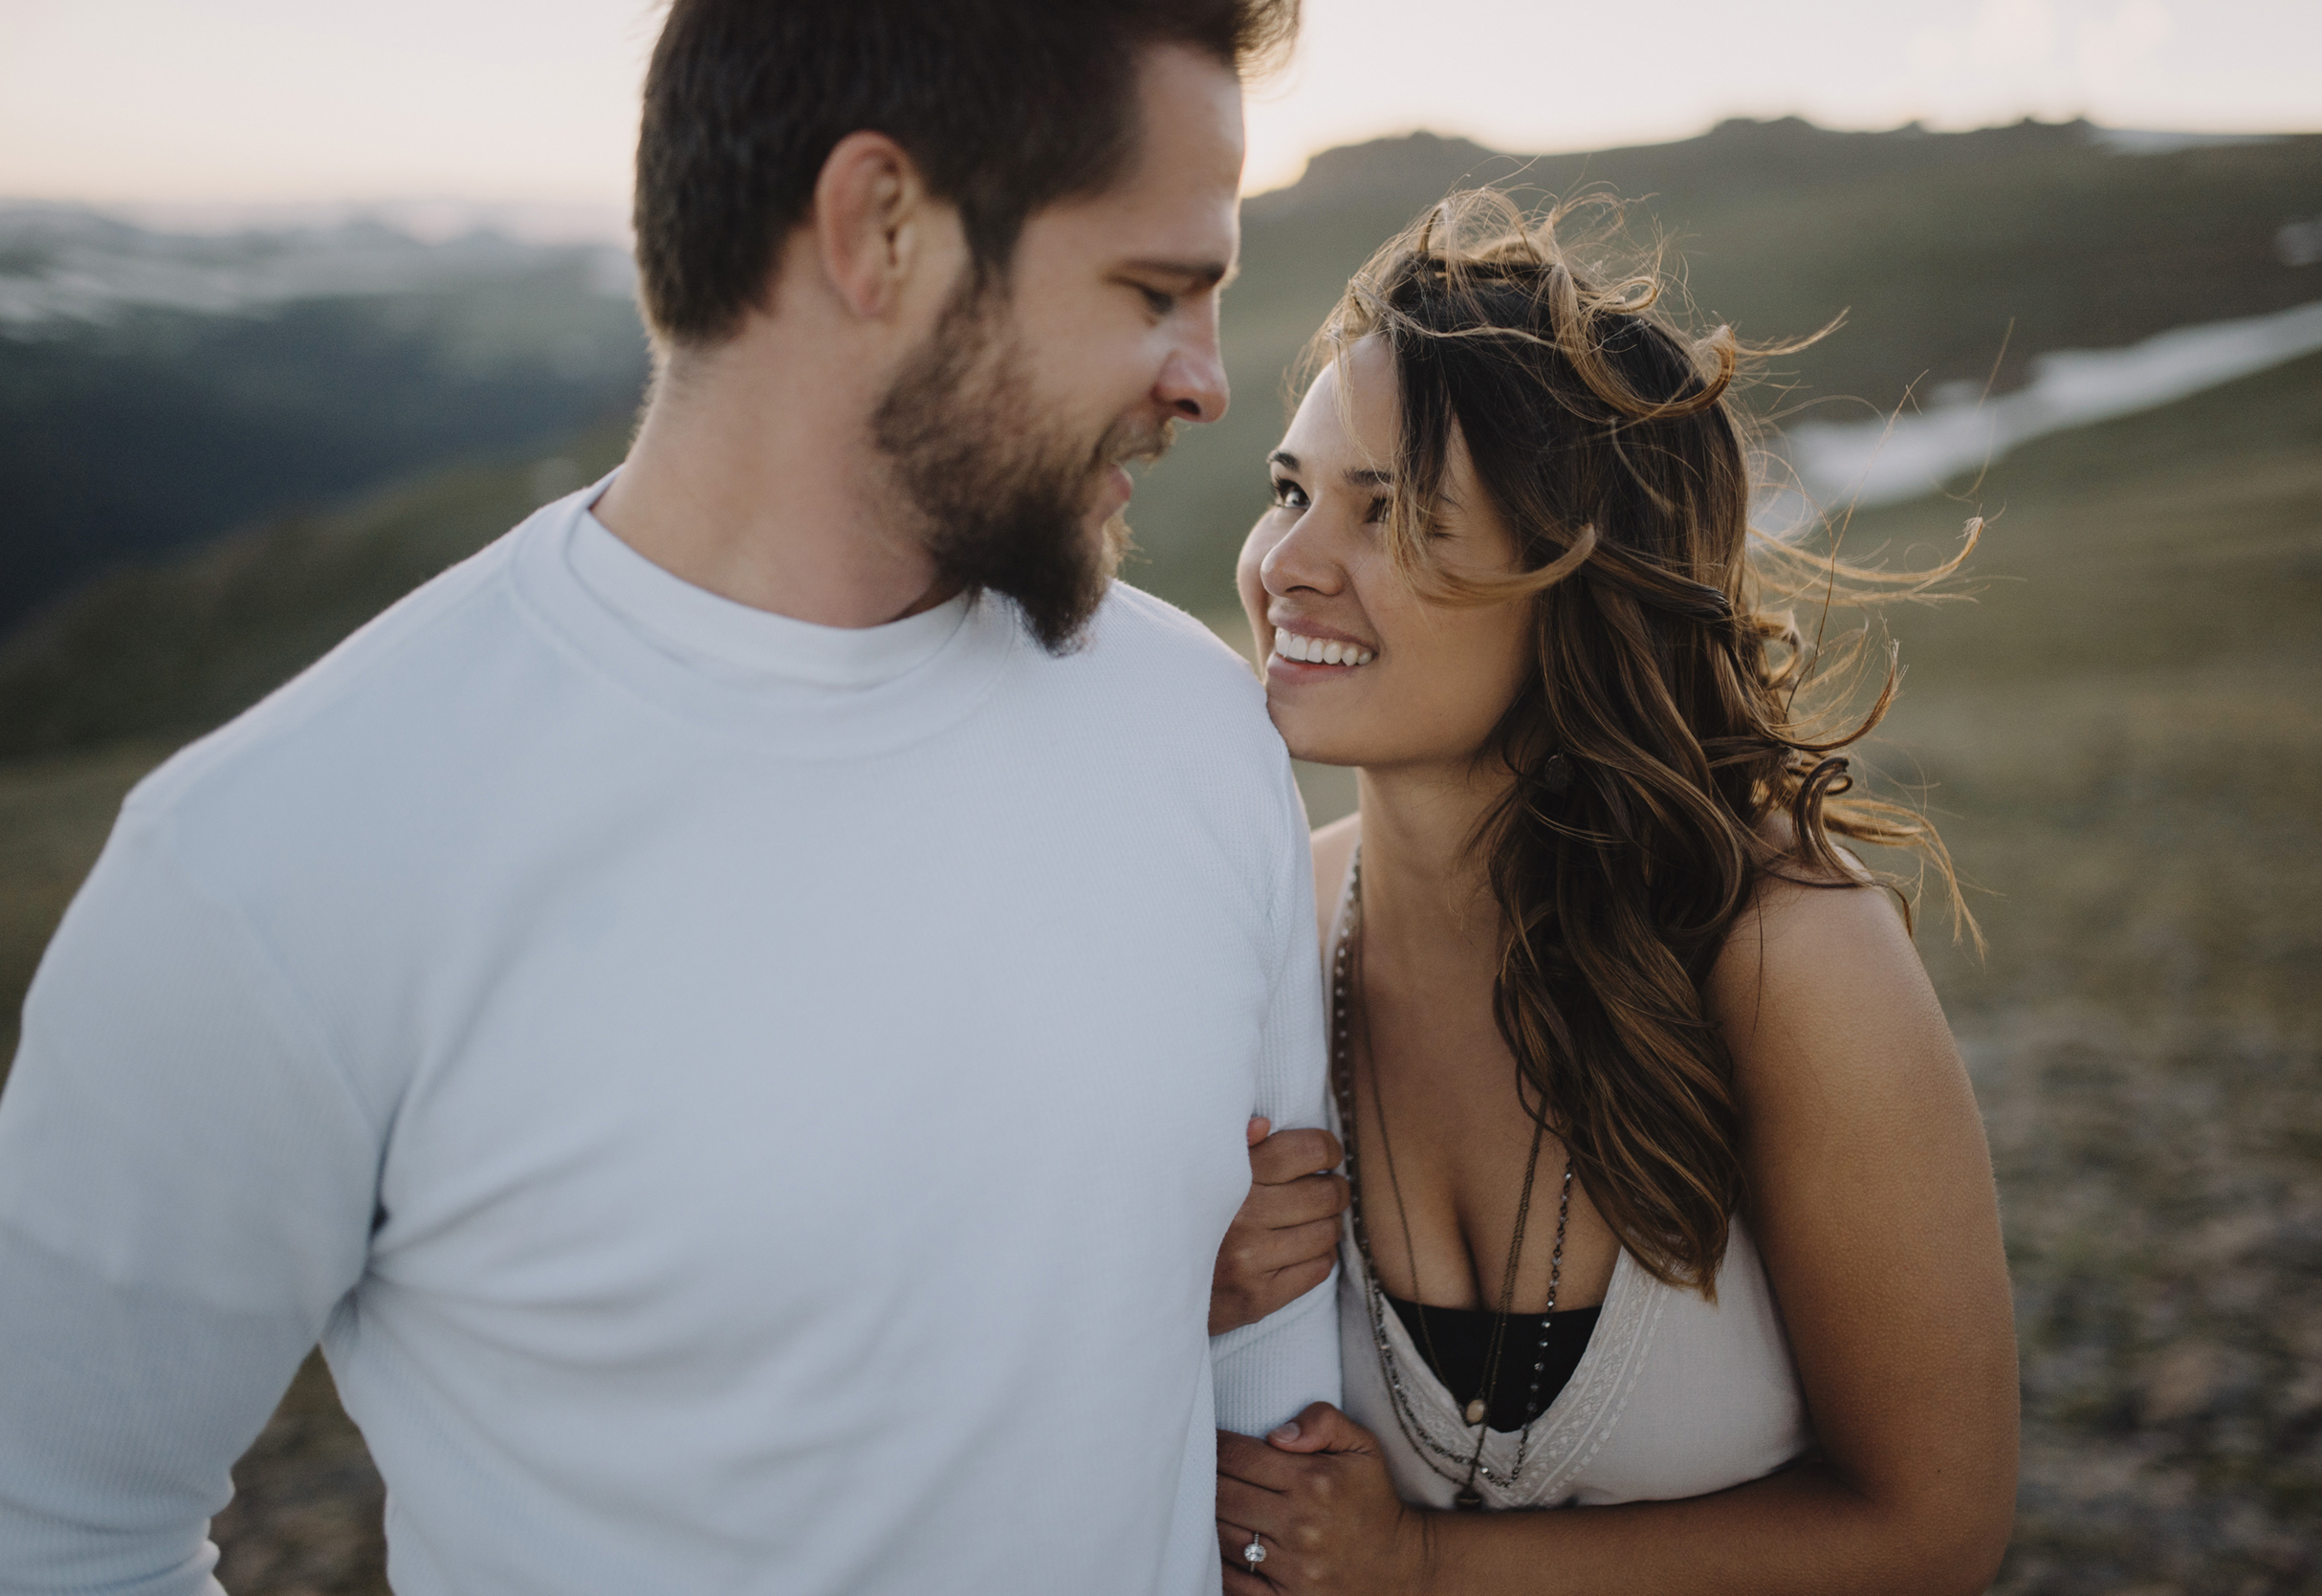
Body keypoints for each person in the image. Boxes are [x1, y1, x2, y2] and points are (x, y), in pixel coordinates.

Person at [0, 4, 1343, 1592]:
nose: (1204, 381)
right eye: (1153, 291)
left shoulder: (1199, 729)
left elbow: (1276, 1404)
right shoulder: (271, 866)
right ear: (879, 228)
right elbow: (61, 1530)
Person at [1211, 194, 2020, 1593]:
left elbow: (1931, 1526)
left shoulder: (1789, 961)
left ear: (1575, 579)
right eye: (1291, 492)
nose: (1286, 567)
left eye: (1389, 513)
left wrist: (1423, 1568)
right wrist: (1186, 1297)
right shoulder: (1264, 932)